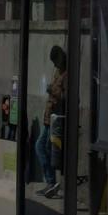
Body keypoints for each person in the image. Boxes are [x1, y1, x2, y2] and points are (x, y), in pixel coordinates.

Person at [36, 45, 67, 197]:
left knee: (43, 147)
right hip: (49, 117)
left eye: (55, 61)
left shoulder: (67, 74)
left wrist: (52, 91)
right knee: (42, 147)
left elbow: (65, 97)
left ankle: (51, 182)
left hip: (56, 118)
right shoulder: (58, 72)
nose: (54, 65)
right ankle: (50, 182)